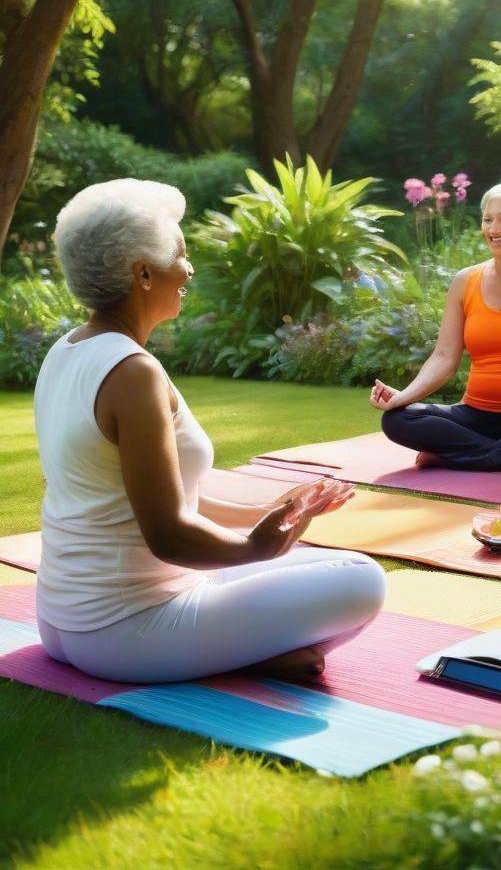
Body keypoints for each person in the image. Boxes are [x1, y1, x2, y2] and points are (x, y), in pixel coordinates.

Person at [34, 179, 385, 685]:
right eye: (181, 252)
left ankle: (248, 649)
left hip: (62, 622)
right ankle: (247, 652)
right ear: (144, 273)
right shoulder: (132, 372)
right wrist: (257, 548)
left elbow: (146, 499)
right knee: (361, 580)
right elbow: (170, 535)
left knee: (312, 564)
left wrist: (269, 514)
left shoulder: (66, 349)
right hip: (126, 630)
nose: (189, 268)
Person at [370, 182, 501, 472]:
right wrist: (403, 397)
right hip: (475, 416)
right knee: (397, 420)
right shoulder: (465, 281)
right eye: (488, 220)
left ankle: (453, 456)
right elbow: (444, 357)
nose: (493, 228)